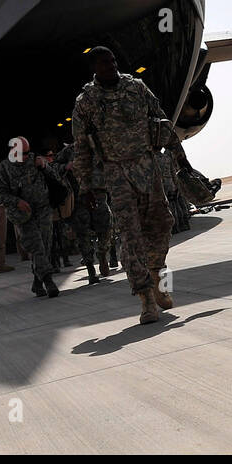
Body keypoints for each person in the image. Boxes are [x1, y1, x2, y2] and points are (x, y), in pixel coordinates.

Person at [70, 46, 182, 324]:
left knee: (162, 223)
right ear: (94, 68)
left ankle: (157, 276)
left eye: (113, 61)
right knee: (130, 236)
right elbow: (82, 148)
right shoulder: (86, 102)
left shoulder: (137, 88)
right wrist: (85, 187)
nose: (111, 66)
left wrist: (180, 157)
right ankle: (145, 299)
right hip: (116, 173)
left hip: (147, 166)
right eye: (104, 63)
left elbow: (162, 120)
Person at [0, 136, 61, 298]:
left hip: (43, 210)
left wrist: (44, 166)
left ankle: (37, 284)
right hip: (23, 216)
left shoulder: (35, 161)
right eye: (23, 153)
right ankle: (48, 281)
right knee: (37, 247)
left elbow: (55, 178)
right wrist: (17, 201)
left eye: (27, 152)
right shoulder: (5, 168)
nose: (26, 156)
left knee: (45, 245)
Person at [52, 143, 103, 283]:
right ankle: (91, 269)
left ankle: (102, 258)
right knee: (83, 234)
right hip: (77, 202)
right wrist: (65, 167)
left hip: (94, 196)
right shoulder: (68, 151)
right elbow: (54, 168)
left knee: (102, 229)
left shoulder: (94, 146)